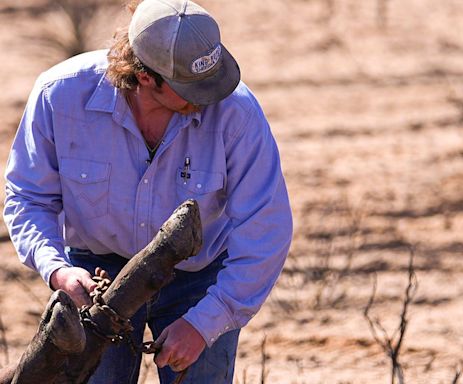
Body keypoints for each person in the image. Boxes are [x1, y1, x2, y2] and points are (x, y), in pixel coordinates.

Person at [3, 0, 293, 383]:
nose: (210, 96)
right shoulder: (59, 96)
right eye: (191, 86)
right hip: (97, 275)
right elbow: (28, 197)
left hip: (199, 277)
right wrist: (58, 270)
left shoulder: (237, 113)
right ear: (145, 77)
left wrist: (206, 322)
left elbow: (266, 229)